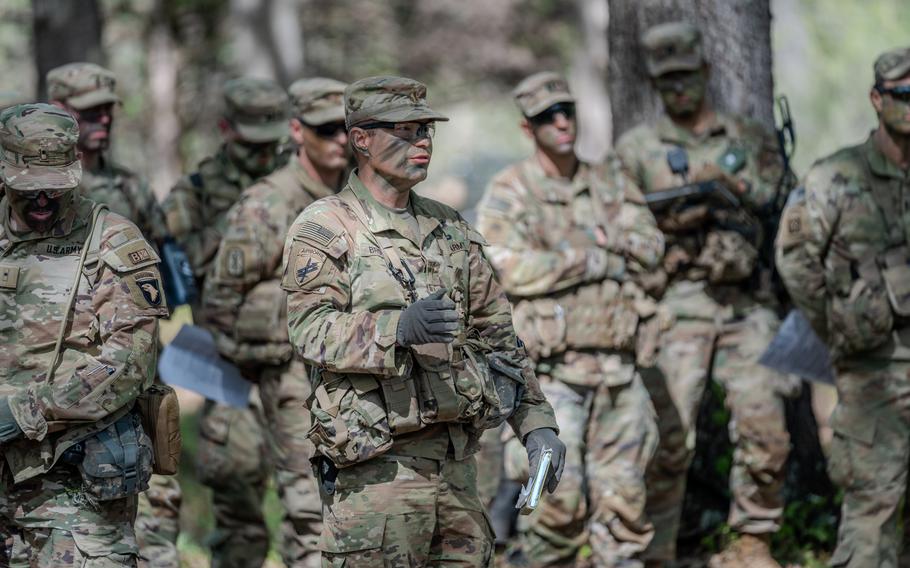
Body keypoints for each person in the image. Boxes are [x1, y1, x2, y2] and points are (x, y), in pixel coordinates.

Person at [281, 75, 564, 566]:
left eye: (425, 131)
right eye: (404, 131)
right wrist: (397, 330)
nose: (421, 142)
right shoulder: (326, 226)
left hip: (457, 466)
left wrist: (536, 423)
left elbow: (498, 336)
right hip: (377, 474)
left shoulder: (450, 227)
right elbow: (309, 331)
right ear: (361, 139)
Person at [614, 21, 799, 568]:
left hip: (748, 303)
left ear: (706, 72)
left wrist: (741, 190)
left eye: (687, 77)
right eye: (666, 81)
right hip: (677, 302)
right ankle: (657, 550)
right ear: (652, 84)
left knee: (767, 430)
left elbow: (787, 209)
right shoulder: (637, 149)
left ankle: (753, 541)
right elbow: (616, 224)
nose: (678, 90)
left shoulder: (747, 137)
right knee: (669, 438)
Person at [476, 72, 662, 567]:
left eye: (566, 111)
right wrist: (587, 256)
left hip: (620, 373)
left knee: (626, 504)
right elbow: (502, 265)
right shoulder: (510, 190)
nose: (560, 122)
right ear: (527, 128)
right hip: (551, 380)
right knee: (553, 502)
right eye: (545, 117)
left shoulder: (609, 181)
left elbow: (650, 246)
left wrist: (576, 253)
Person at [0, 103, 168, 566]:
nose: (42, 201)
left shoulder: (111, 241)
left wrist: (25, 411)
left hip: (73, 487)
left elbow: (129, 363)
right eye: (28, 190)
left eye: (55, 190)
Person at [202, 77, 349, 567]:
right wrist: (270, 347)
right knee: (310, 508)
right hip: (288, 377)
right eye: (327, 129)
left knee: (347, 505)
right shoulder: (270, 203)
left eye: (348, 128)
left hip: (354, 375)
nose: (342, 140)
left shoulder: (358, 197)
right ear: (297, 130)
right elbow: (220, 301)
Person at [775, 45, 910, 568]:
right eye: (903, 94)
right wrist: (841, 326)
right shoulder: (836, 176)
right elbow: (794, 259)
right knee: (871, 521)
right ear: (878, 99)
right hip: (874, 375)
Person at [47, 61, 180, 568]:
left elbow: (169, 276)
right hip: (53, 380)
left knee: (152, 506)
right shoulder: (22, 193)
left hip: (133, 372)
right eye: (89, 112)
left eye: (107, 111)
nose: (103, 121)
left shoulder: (131, 189)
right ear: (60, 111)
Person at [161, 76, 288, 568]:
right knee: (237, 513)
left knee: (313, 511)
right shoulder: (193, 191)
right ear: (224, 130)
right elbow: (175, 262)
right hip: (227, 372)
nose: (261, 155)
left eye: (270, 143)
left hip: (301, 367)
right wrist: (244, 217)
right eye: (249, 143)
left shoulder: (302, 181)